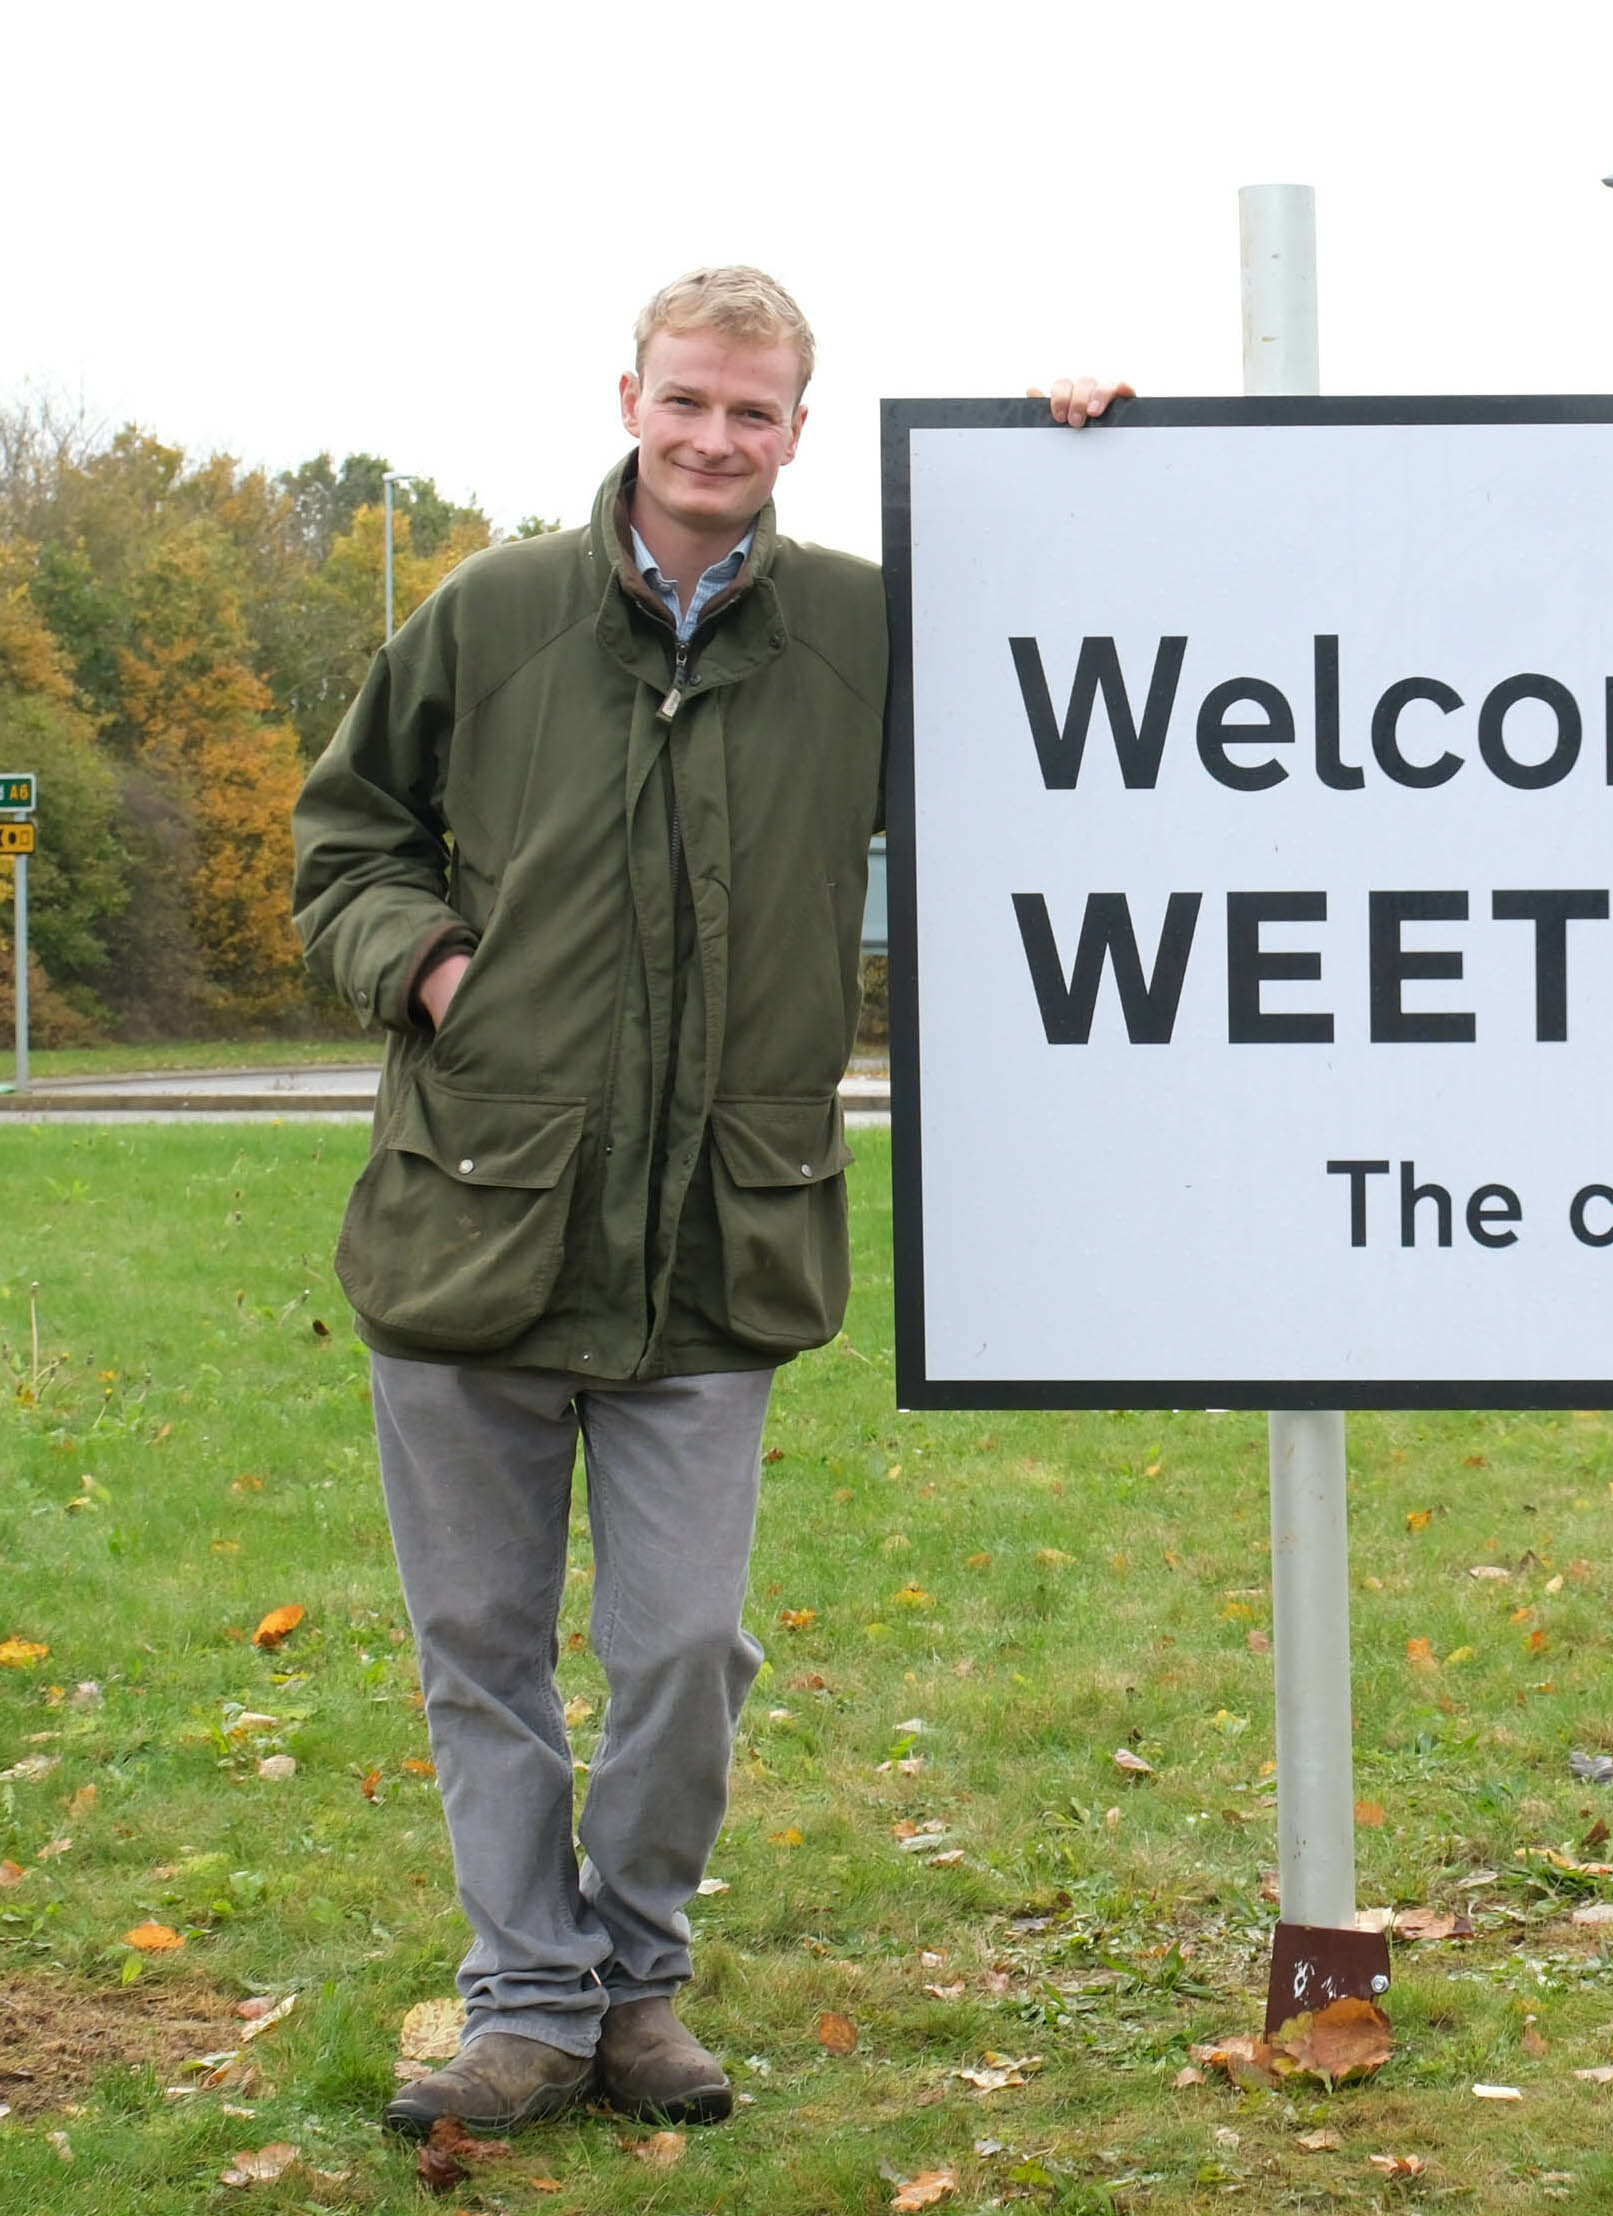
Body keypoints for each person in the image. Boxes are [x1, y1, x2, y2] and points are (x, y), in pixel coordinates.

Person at [292, 266, 1126, 2140]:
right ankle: (527, 2005)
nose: (714, 440)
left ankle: (640, 1980)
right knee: (481, 1653)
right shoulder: (494, 611)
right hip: (475, 1219)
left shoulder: (855, 627)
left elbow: (1073, 690)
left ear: (798, 431)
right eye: (688, 403)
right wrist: (433, 971)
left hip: (716, 1238)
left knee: (681, 1646)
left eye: (753, 413)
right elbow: (344, 830)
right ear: (630, 397)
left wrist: (1079, 466)